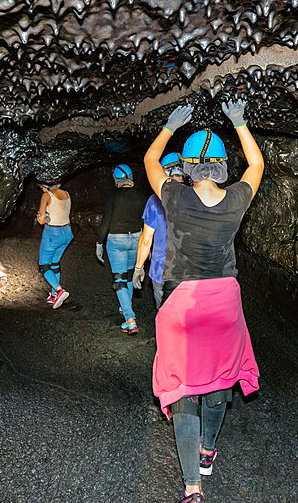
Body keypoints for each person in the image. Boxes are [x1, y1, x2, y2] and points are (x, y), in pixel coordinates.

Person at [144, 98, 263, 503]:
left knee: (184, 390)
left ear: (191, 169)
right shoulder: (236, 200)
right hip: (224, 303)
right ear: (222, 167)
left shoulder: (175, 198)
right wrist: (239, 122)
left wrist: (168, 128)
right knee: (217, 384)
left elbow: (151, 160)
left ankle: (193, 488)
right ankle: (208, 449)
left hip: (183, 304)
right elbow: (257, 166)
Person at [96, 164, 146, 334]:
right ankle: (126, 307)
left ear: (116, 179)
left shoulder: (113, 195)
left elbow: (105, 221)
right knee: (130, 275)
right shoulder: (141, 195)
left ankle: (130, 319)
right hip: (136, 238)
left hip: (117, 239)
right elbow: (144, 220)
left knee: (119, 279)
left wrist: (99, 243)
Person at [132, 153, 184, 308]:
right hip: (189, 271)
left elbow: (146, 239)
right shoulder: (194, 196)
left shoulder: (155, 200)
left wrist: (139, 267)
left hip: (161, 269)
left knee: (164, 314)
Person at [35, 183, 72, 308]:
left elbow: (41, 220)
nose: (41, 189)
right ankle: (53, 296)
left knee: (44, 265)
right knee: (55, 263)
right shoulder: (66, 194)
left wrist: (43, 217)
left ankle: (58, 290)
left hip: (53, 234)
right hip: (67, 233)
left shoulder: (47, 195)